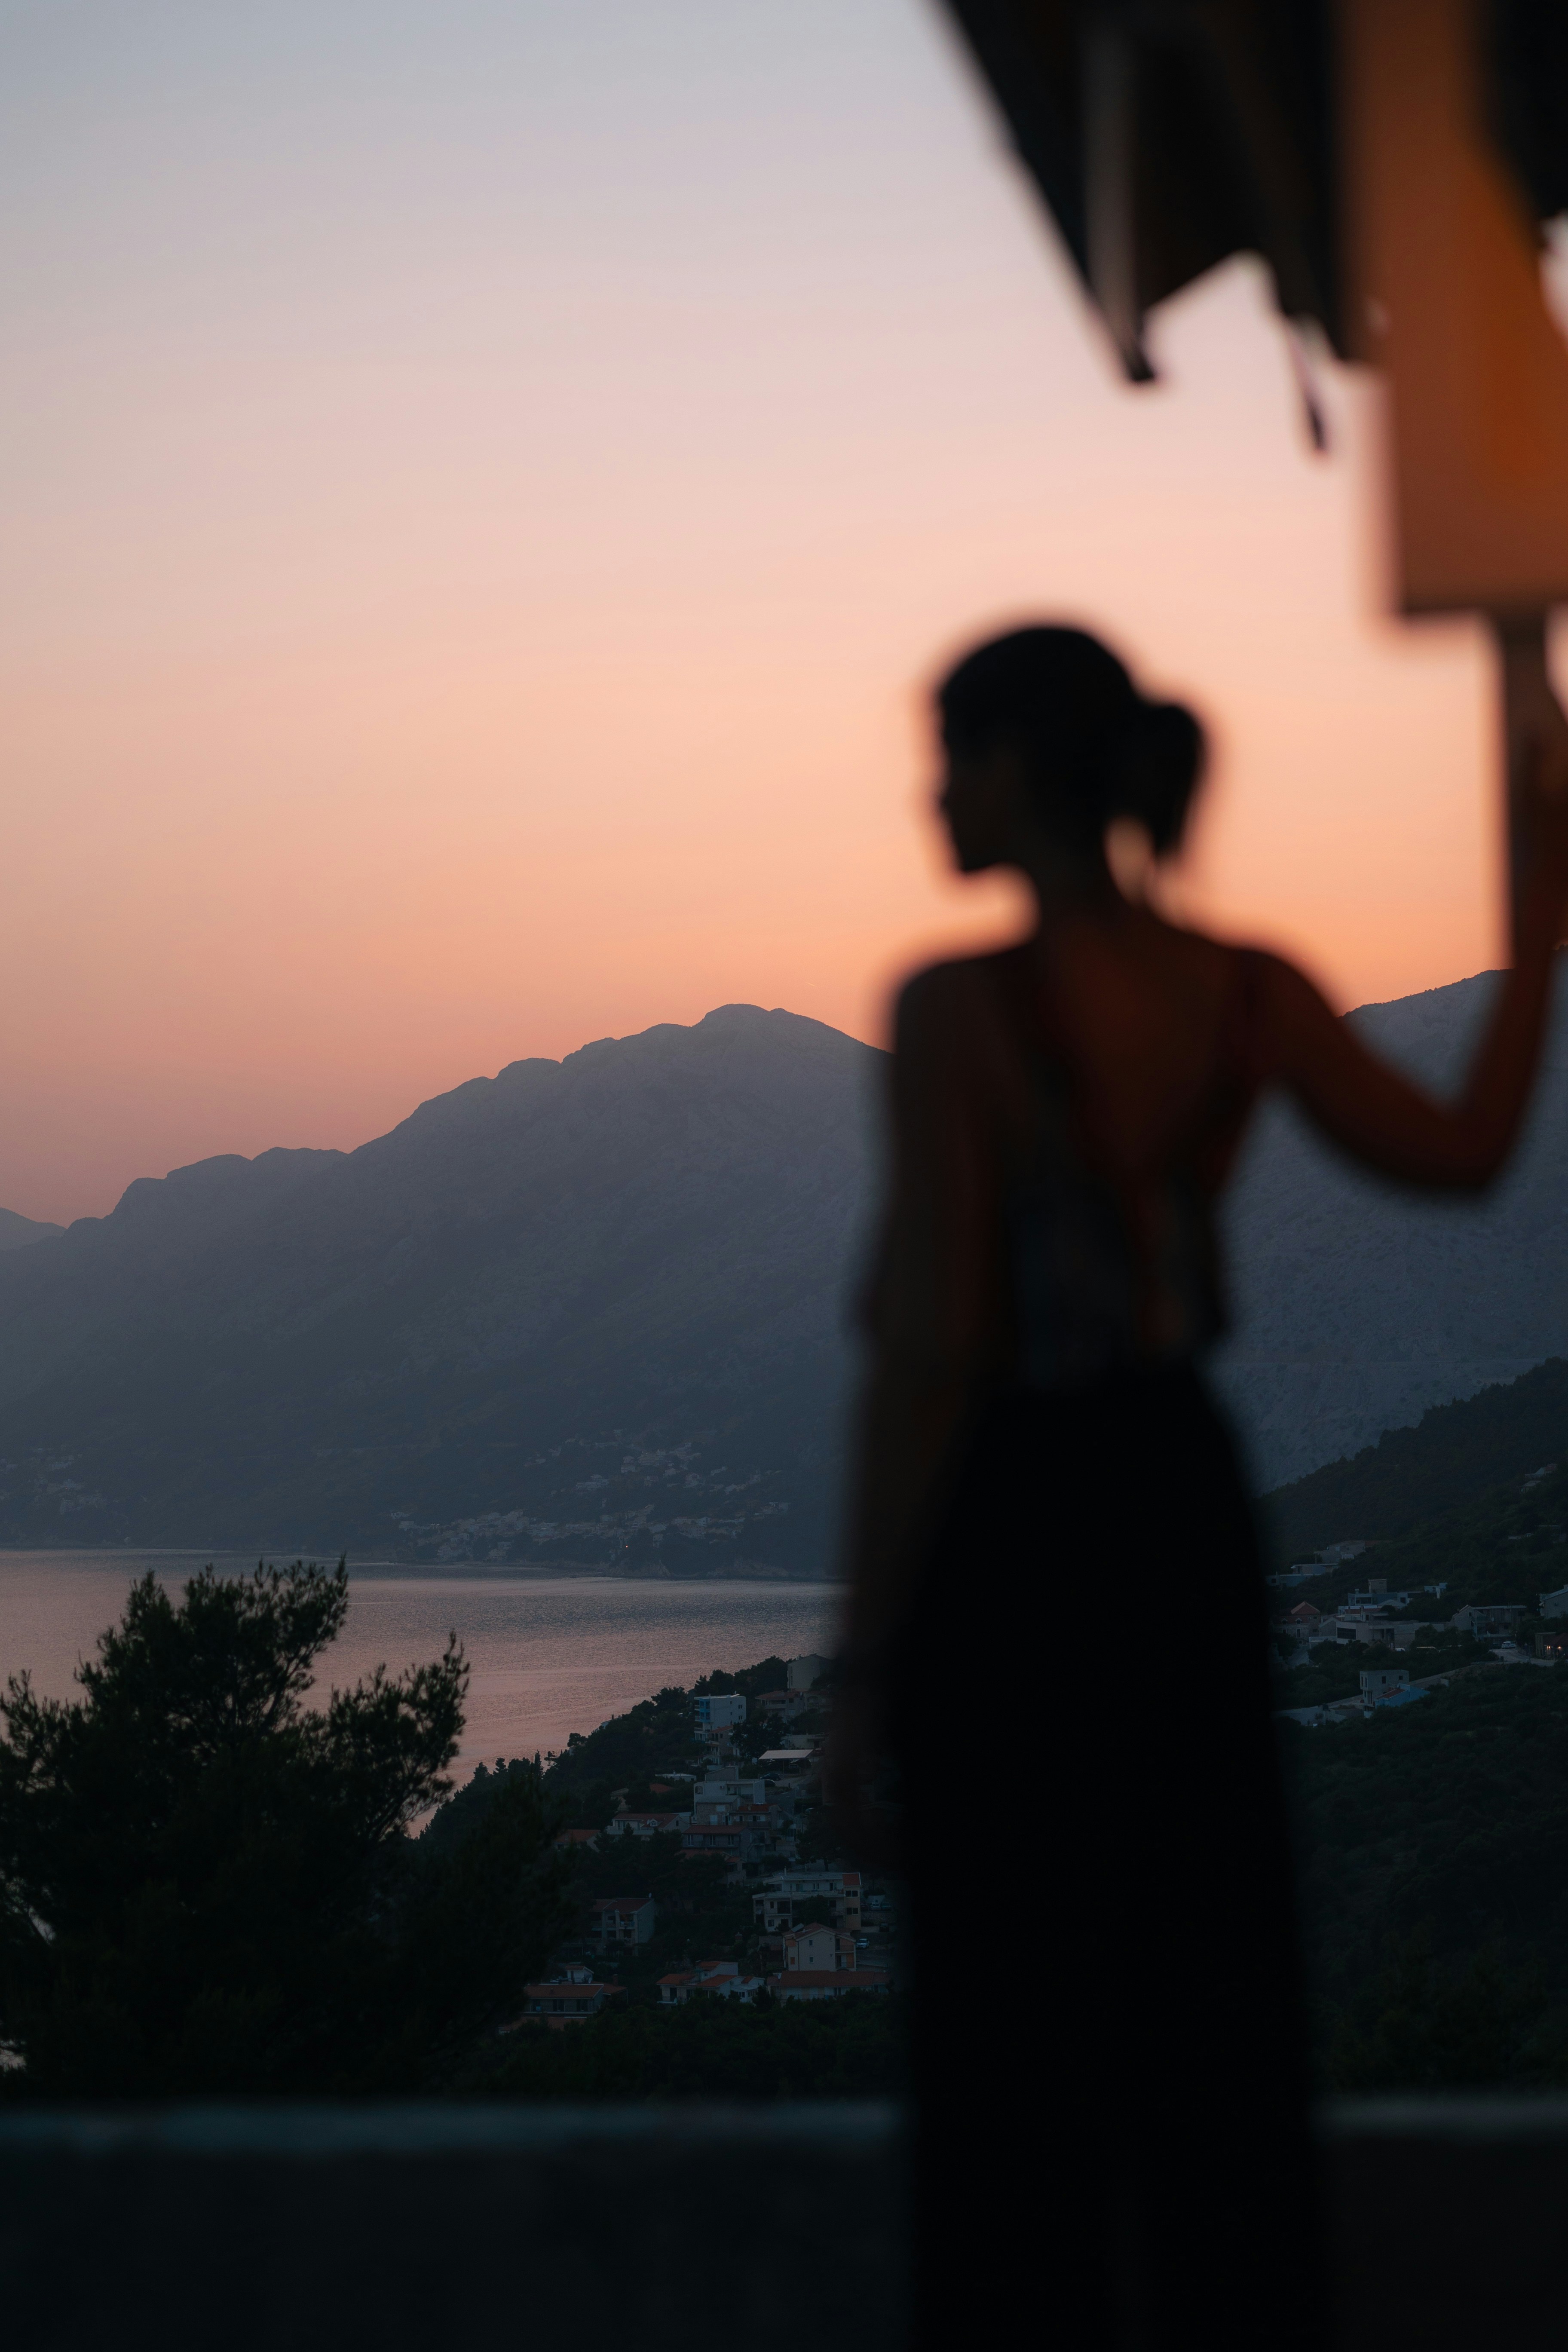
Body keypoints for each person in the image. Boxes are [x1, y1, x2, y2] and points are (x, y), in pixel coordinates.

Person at [829, 622, 1568, 2350]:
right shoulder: (1243, 988)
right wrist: (1541, 927)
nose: (934, 788)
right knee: (1215, 1993)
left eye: (951, 750)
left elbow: (934, 1356)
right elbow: (1463, 1158)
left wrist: (863, 1674)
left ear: (1018, 766)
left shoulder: (956, 1013)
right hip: (1179, 1510)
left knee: (1012, 2036)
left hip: (1014, 1532)